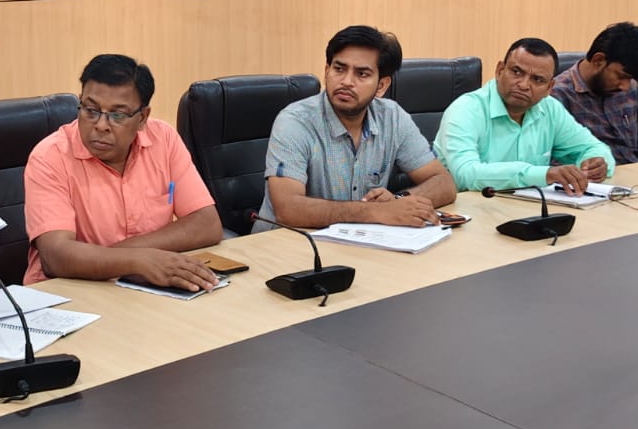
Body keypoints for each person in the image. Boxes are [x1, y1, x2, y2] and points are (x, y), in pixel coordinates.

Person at [24, 53, 221, 291]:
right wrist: (137, 261)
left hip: (140, 287)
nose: (101, 125)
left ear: (142, 118)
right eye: (91, 110)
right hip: (67, 292)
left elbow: (207, 223)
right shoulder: (49, 157)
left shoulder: (163, 139)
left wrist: (125, 257)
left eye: (117, 115)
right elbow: (55, 256)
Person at [257, 25, 456, 231]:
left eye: (361, 74)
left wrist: (399, 201)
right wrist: (377, 212)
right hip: (286, 243)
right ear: (326, 71)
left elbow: (444, 183)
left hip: (356, 241)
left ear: (381, 86)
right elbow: (288, 209)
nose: (346, 81)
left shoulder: (392, 117)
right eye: (339, 69)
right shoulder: (295, 122)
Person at [434, 37, 615, 194]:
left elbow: (594, 148)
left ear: (549, 87)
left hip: (530, 208)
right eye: (516, 72)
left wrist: (594, 164)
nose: (523, 85)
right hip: (472, 211)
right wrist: (542, 174)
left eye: (537, 79)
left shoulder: (550, 109)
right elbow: (465, 175)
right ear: (499, 70)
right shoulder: (465, 110)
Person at [550, 22, 638, 164]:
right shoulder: (556, 96)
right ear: (598, 61)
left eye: (630, 79)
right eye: (621, 76)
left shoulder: (631, 88)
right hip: (593, 177)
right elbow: (552, 162)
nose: (625, 87)